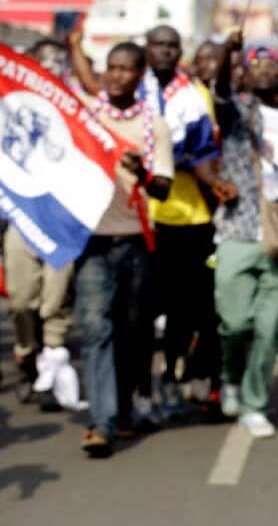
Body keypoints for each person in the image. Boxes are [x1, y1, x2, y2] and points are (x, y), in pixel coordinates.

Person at [67, 40, 174, 457]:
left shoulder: (153, 125)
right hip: (92, 241)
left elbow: (162, 188)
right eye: (110, 67)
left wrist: (142, 173)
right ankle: (102, 422)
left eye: (125, 69)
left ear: (140, 75)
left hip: (136, 240)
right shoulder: (87, 116)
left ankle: (126, 407)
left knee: (132, 330)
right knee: (96, 328)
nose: (115, 75)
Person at [130, 25, 231, 420]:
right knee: (141, 311)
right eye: (158, 44)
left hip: (189, 216)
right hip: (140, 217)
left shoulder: (194, 95)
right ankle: (140, 390)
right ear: (147, 48)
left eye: (172, 46)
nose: (166, 51)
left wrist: (209, 179)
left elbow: (205, 152)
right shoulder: (132, 92)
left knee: (183, 309)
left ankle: (171, 378)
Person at [210, 36, 278, 438]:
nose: (264, 71)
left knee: (270, 328)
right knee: (234, 324)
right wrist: (226, 54)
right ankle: (231, 376)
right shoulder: (237, 112)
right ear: (245, 73)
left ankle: (254, 403)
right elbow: (219, 91)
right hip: (239, 229)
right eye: (256, 65)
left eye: (271, 65)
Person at [5, 38, 75, 410]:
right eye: (44, 61)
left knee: (55, 299)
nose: (52, 66)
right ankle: (26, 352)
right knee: (21, 300)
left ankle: (51, 367)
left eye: (58, 60)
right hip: (23, 218)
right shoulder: (12, 105)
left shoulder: (76, 109)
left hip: (61, 221)